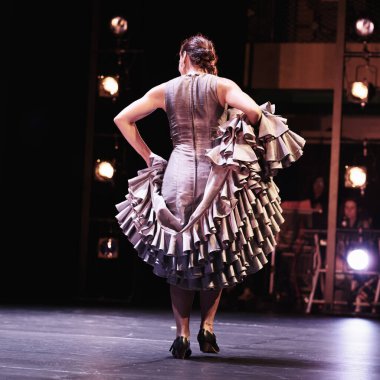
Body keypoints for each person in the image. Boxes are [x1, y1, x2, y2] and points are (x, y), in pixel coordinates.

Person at [113, 34, 305, 359]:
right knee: (214, 251)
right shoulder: (222, 85)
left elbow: (122, 118)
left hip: (179, 172)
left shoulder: (166, 89)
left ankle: (182, 336)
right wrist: (234, 129)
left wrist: (149, 157)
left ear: (184, 57)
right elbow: (255, 112)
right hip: (217, 172)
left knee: (180, 253)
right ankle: (208, 328)